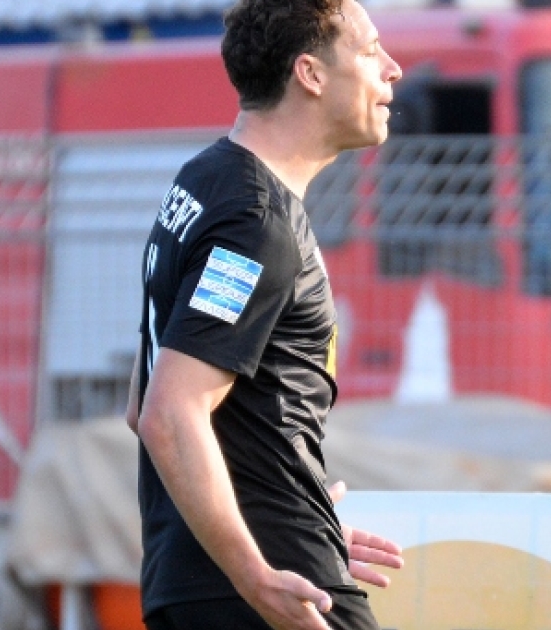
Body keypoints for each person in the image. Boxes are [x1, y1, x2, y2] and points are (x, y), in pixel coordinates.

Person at [124, 0, 404, 628]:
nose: (393, 68)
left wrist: (300, 511)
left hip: (201, 584)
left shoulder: (203, 182)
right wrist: (257, 571)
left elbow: (144, 401)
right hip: (268, 589)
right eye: (369, 51)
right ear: (311, 74)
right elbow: (168, 412)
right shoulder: (257, 221)